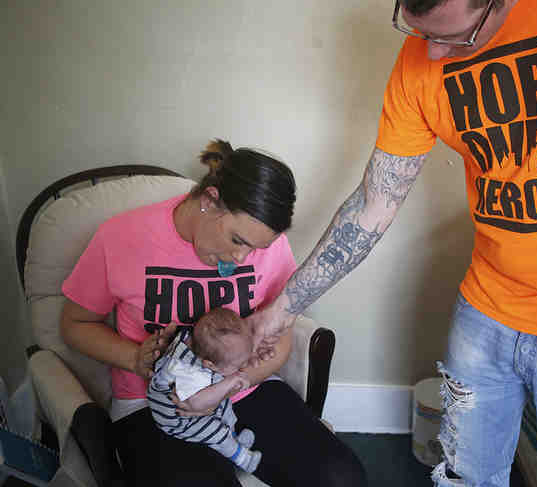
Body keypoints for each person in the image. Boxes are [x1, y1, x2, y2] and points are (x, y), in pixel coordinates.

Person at [241, 1, 537, 486]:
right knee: (466, 478)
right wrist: (280, 311)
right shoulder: (419, 59)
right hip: (485, 318)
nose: (431, 52)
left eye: (456, 38)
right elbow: (372, 203)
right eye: (416, 30)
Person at [60, 139, 367, 487]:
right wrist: (135, 358)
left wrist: (236, 381)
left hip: (245, 390)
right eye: (238, 240)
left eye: (256, 248)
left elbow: (281, 334)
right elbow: (74, 324)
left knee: (343, 478)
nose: (242, 259)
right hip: (155, 405)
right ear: (209, 200)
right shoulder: (120, 237)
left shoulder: (268, 245)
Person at [148, 307, 261, 474]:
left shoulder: (194, 340)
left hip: (194, 396)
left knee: (225, 408)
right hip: (178, 416)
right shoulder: (187, 371)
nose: (243, 367)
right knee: (213, 430)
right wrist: (231, 379)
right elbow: (195, 404)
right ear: (210, 365)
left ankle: (234, 438)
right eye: (238, 365)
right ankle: (242, 457)